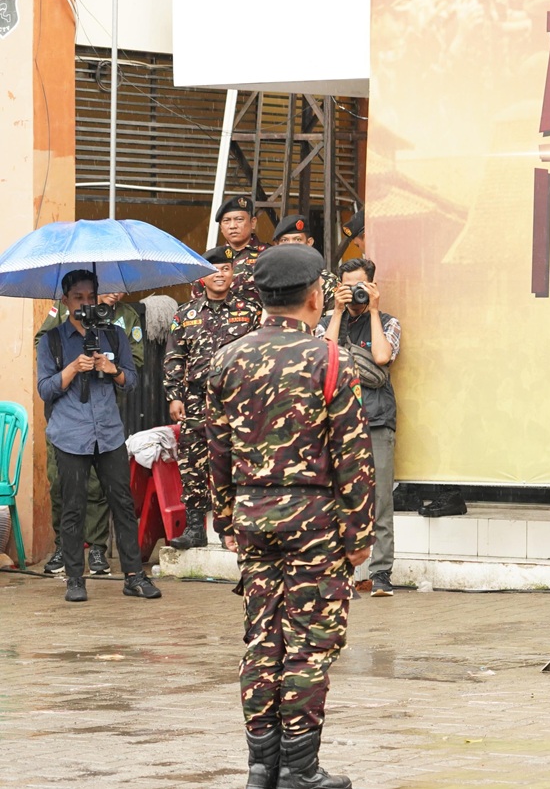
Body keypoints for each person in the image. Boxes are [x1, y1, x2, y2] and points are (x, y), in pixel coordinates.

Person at [208, 244, 374, 788]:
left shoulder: (227, 359)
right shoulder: (331, 360)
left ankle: (262, 769)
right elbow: (353, 455)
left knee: (262, 639)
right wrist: (359, 535)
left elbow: (218, 450)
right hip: (315, 523)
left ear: (258, 295)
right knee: (308, 644)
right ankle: (300, 771)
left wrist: (227, 519)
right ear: (314, 296)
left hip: (255, 518)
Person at [36, 270, 161, 602]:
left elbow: (132, 382)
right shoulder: (52, 340)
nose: (86, 304)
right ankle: (75, 579)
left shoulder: (115, 336)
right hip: (70, 434)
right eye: (78, 298)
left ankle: (134, 576)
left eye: (91, 297)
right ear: (65, 301)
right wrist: (73, 369)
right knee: (73, 507)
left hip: (108, 433)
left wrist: (112, 369)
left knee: (122, 503)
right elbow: (45, 389)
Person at [163, 245, 260, 550]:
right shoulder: (185, 314)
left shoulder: (250, 311)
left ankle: (233, 527)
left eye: (226, 269)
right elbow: (174, 358)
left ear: (233, 273)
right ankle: (194, 528)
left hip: (237, 399)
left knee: (236, 460)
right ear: (202, 277)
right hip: (196, 399)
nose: (221, 274)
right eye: (214, 270)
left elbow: (258, 356)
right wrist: (174, 396)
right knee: (193, 461)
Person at [319, 257, 401, 597]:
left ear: (372, 285)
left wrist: (372, 311)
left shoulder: (388, 321)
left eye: (360, 285)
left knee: (380, 500)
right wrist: (337, 312)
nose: (353, 291)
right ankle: (343, 573)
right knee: (339, 500)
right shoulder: (327, 320)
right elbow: (325, 356)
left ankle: (381, 574)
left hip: (377, 419)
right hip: (338, 421)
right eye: (347, 285)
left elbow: (382, 357)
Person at [193, 196, 268, 309]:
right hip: (218, 324)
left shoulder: (269, 256)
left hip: (260, 323)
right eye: (226, 221)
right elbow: (197, 303)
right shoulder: (211, 260)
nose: (233, 226)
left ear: (253, 223)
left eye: (239, 220)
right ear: (221, 228)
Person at [273, 214, 339, 306]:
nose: (291, 245)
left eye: (297, 239)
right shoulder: (269, 279)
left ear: (309, 242)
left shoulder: (327, 281)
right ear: (277, 245)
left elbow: (335, 317)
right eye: (284, 240)